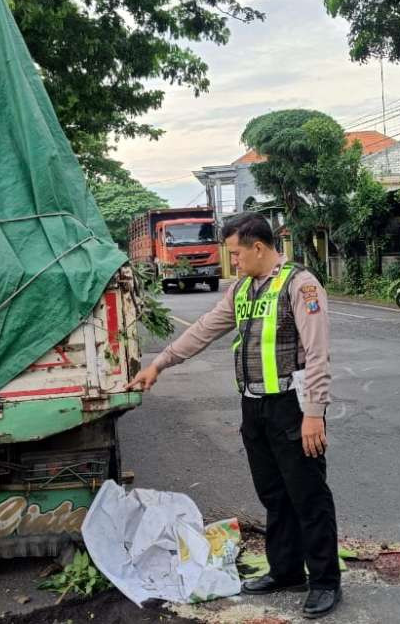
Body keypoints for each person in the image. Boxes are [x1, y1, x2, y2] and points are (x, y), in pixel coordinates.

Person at [125, 212, 341, 619]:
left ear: (258, 247)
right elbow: (204, 329)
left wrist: (314, 413)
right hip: (254, 407)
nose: (232, 262)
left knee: (308, 496)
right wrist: (161, 363)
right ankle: (286, 571)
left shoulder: (300, 284)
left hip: (292, 407)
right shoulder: (243, 289)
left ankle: (326, 581)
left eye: (236, 254)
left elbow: (317, 355)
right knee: (274, 494)